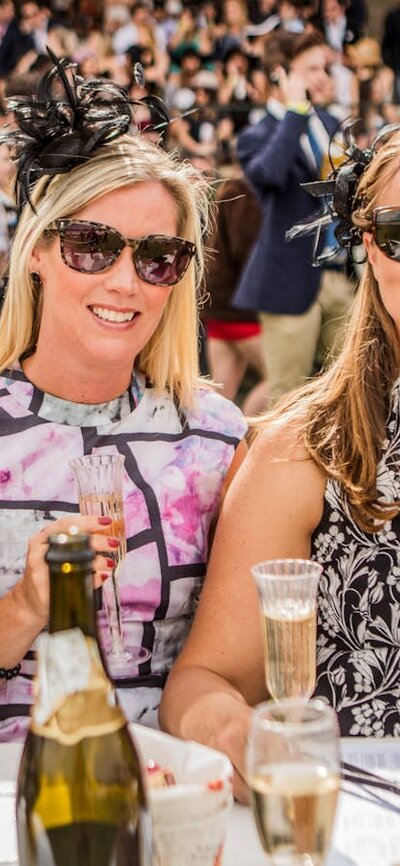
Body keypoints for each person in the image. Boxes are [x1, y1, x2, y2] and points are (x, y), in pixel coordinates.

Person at [0, 53, 247, 742]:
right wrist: (25, 604)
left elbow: (237, 666)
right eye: (91, 245)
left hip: (178, 794)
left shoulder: (221, 441)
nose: (125, 282)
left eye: (157, 256)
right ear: (38, 254)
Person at [159, 125, 400, 800]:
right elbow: (207, 681)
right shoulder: (305, 451)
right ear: (371, 250)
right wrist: (227, 730)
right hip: (362, 816)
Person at [233, 28, 355, 402]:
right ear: (280, 74)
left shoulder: (334, 125)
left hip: (341, 278)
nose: (322, 77)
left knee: (350, 391)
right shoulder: (257, 134)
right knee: (287, 398)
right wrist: (296, 110)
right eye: (311, 69)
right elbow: (268, 175)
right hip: (289, 281)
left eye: (324, 68)